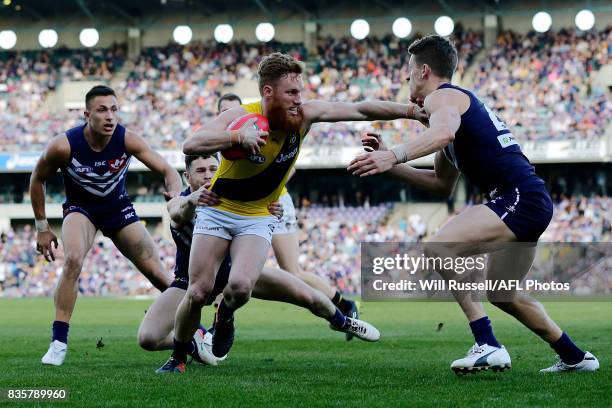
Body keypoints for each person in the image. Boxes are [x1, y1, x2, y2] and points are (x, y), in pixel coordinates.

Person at [159, 52, 427, 372]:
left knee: (241, 287)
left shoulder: (305, 115)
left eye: (300, 92)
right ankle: (177, 359)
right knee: (198, 290)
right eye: (292, 93)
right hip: (218, 210)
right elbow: (191, 144)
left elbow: (358, 108)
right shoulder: (241, 116)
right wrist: (236, 137)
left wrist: (411, 111)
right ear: (268, 92)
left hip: (258, 214)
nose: (299, 99)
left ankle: (225, 314)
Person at [348, 35, 599, 374]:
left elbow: (444, 133)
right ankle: (575, 357)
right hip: (529, 200)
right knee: (503, 294)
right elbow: (439, 184)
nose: (407, 80)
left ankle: (488, 344)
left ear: (424, 71)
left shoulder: (443, 97)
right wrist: (391, 164)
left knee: (439, 248)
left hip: (518, 198)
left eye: (408, 73)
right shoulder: (451, 113)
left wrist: (392, 153)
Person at [144, 154, 380, 373]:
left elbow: (261, 215)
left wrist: (271, 211)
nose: (207, 175)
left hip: (234, 275)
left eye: (213, 169)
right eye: (201, 170)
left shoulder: (237, 199)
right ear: (187, 176)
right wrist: (192, 201)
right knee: (148, 338)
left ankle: (344, 321)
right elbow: (176, 211)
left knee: (308, 296)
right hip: (190, 282)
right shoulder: (182, 200)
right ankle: (192, 342)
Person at [31, 85, 182, 366]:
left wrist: (174, 193)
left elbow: (168, 170)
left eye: (114, 109)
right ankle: (58, 343)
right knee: (73, 259)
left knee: (160, 276)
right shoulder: (64, 145)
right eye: (102, 110)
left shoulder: (128, 140)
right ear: (87, 114)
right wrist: (42, 227)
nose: (110, 116)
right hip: (81, 209)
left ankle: (195, 334)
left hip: (118, 209)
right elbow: (37, 178)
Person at [216, 93, 361, 341]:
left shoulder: (262, 126)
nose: (234, 116)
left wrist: (268, 189)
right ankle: (220, 323)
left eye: (235, 109)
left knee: (292, 270)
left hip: (273, 202)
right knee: (224, 269)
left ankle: (343, 304)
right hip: (236, 206)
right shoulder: (221, 136)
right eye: (225, 112)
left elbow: (288, 165)